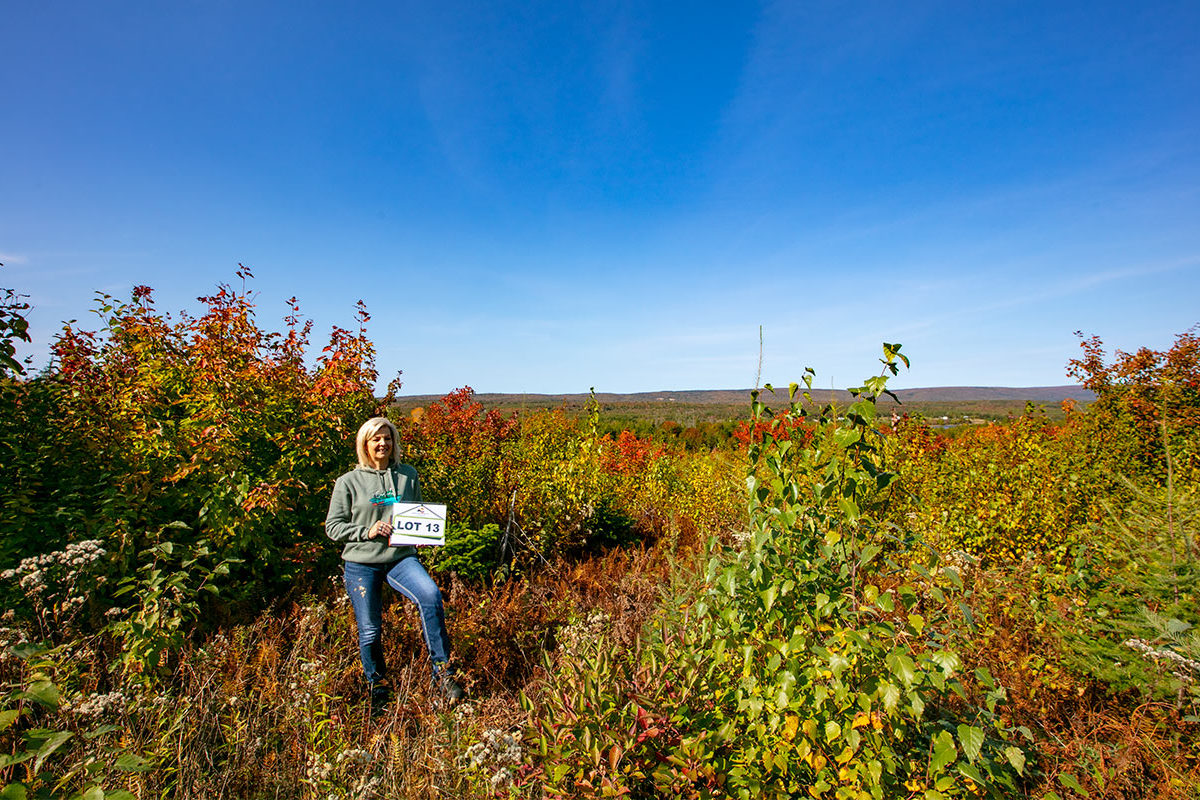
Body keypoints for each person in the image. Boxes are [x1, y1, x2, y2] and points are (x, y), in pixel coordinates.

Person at [325, 416, 464, 714]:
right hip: (361, 563)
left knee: (430, 596)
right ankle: (379, 685)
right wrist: (367, 530)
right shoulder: (348, 482)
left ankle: (442, 674)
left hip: (401, 558)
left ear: (394, 442)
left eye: (387, 438)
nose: (382, 444)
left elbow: (415, 513)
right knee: (370, 630)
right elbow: (333, 527)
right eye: (376, 438)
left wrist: (422, 531)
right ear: (365, 443)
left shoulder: (408, 475)